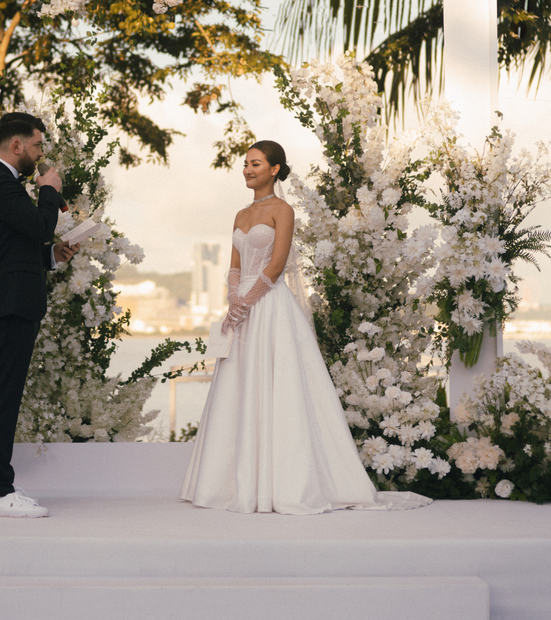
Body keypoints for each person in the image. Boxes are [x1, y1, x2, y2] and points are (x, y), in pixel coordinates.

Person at [180, 141, 430, 514]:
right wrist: (234, 298)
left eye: (256, 164)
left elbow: (277, 264)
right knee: (239, 384)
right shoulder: (240, 214)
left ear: (275, 169)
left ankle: (284, 483)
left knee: (279, 386)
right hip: (242, 308)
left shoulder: (283, 210)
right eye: (245, 164)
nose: (248, 170)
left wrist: (247, 302)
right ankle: (231, 483)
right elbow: (235, 263)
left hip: (269, 308)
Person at [0, 113, 78, 518]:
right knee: (0, 398)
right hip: (5, 305)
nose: (39, 155)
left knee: (3, 397)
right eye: (36, 146)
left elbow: (15, 243)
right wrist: (49, 190)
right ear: (17, 146)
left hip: (9, 302)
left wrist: (52, 255)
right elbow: (38, 225)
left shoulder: (1, 182)